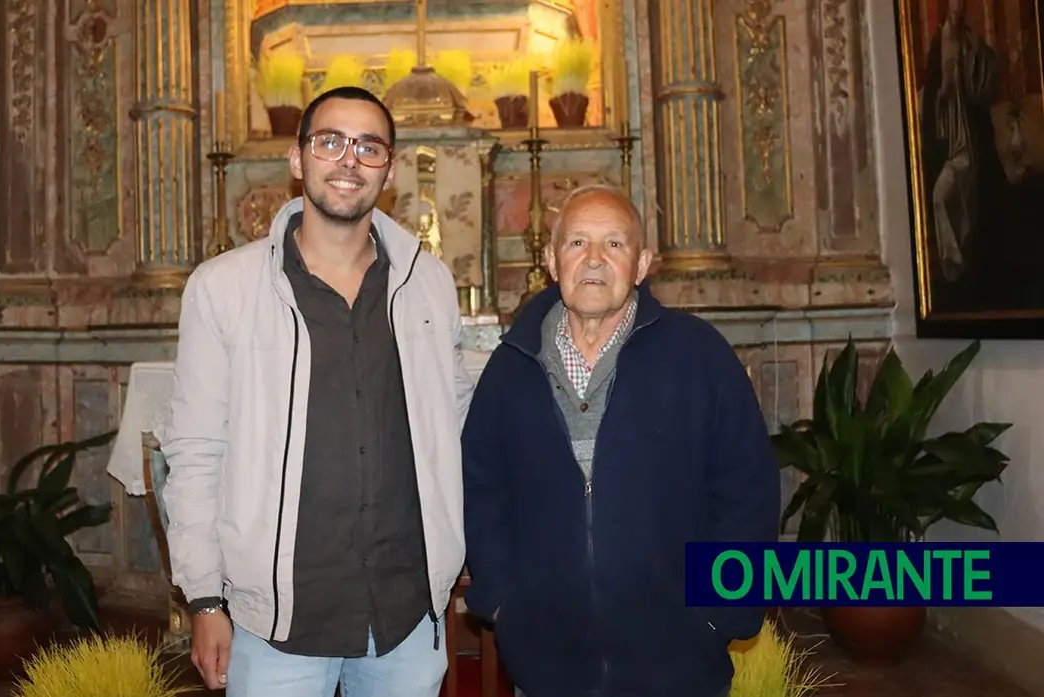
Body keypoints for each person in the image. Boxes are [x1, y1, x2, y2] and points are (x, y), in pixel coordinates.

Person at [161, 86, 475, 697]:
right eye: (330, 141)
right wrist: (203, 598)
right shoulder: (223, 288)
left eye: (369, 146)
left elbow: (454, 424)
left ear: (390, 166)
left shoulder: (428, 283)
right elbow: (196, 449)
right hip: (279, 621)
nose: (349, 159)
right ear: (297, 159)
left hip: (404, 615)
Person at [461, 185, 780, 697]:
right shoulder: (510, 366)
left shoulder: (699, 358)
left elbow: (747, 492)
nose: (593, 259)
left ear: (642, 263)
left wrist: (721, 614)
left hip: (680, 666)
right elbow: (481, 488)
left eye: (614, 244)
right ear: (551, 258)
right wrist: (503, 598)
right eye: (577, 243)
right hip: (548, 668)